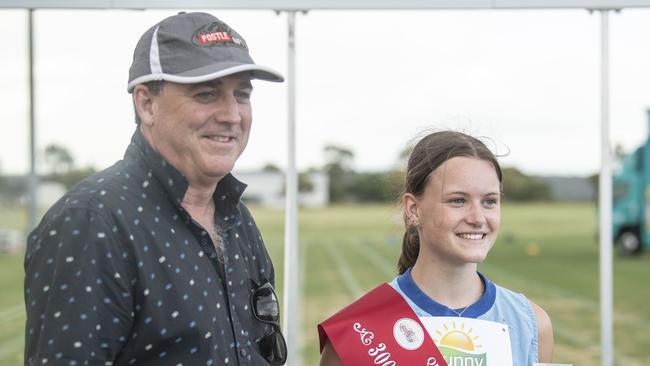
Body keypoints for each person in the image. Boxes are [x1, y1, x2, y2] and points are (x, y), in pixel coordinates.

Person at [24, 12, 287, 366]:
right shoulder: (91, 224)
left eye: (241, 94)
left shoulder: (237, 217)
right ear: (146, 103)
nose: (231, 115)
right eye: (207, 93)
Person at [318, 131, 554, 366]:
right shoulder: (357, 334)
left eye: (489, 201)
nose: (478, 217)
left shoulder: (531, 324)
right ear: (413, 209)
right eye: (458, 200)